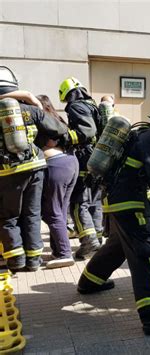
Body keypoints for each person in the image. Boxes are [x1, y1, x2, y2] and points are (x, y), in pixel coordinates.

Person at [77, 100, 150, 335]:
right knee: (147, 253)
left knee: (119, 245)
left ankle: (90, 282)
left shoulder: (140, 134)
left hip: (117, 200)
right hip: (132, 203)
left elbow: (136, 171)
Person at [0, 66, 68, 271]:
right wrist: (36, 105)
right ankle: (34, 261)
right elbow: (60, 129)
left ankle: (16, 261)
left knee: (8, 216)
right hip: (36, 167)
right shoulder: (30, 109)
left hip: (6, 172)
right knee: (32, 214)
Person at [59, 77, 103, 259]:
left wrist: (64, 137)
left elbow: (87, 132)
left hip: (84, 156)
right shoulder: (92, 105)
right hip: (98, 157)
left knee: (78, 201)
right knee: (94, 199)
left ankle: (88, 241)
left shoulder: (76, 106)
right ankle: (97, 239)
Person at [36, 95, 79, 269]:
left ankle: (64, 253)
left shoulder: (42, 120)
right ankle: (58, 251)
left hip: (55, 165)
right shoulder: (57, 119)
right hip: (70, 163)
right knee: (60, 210)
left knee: (51, 212)